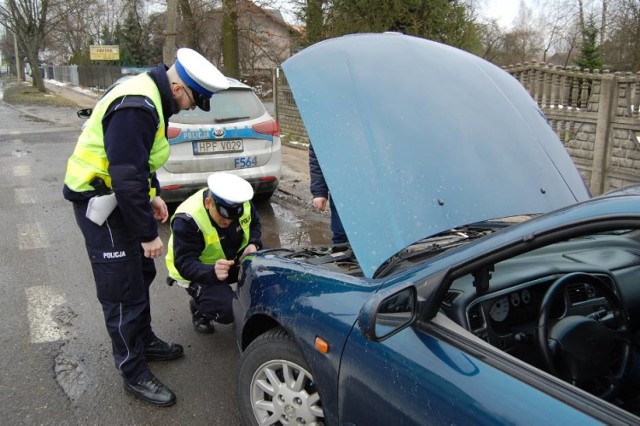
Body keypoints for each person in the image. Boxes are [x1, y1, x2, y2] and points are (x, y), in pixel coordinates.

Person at [62, 48, 229, 407]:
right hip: (101, 205)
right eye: (191, 102)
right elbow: (124, 175)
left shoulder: (150, 96)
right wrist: (148, 235)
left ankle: (145, 340)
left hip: (118, 198)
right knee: (122, 290)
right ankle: (133, 371)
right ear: (180, 88)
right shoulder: (137, 105)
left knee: (139, 275)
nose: (186, 109)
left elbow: (138, 163)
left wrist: (152, 195)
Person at [166, 172, 263, 334]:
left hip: (231, 261)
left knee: (268, 266)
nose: (227, 222)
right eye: (223, 216)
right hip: (199, 272)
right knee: (230, 310)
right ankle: (199, 309)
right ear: (208, 202)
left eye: (233, 218)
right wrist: (211, 272)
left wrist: (254, 243)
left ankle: (242, 298)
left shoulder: (243, 204)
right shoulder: (188, 219)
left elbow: (255, 224)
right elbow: (184, 262)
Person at [308, 143, 348, 244]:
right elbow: (317, 155)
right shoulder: (324, 129)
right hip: (341, 187)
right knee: (341, 234)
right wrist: (319, 191)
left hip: (375, 187)